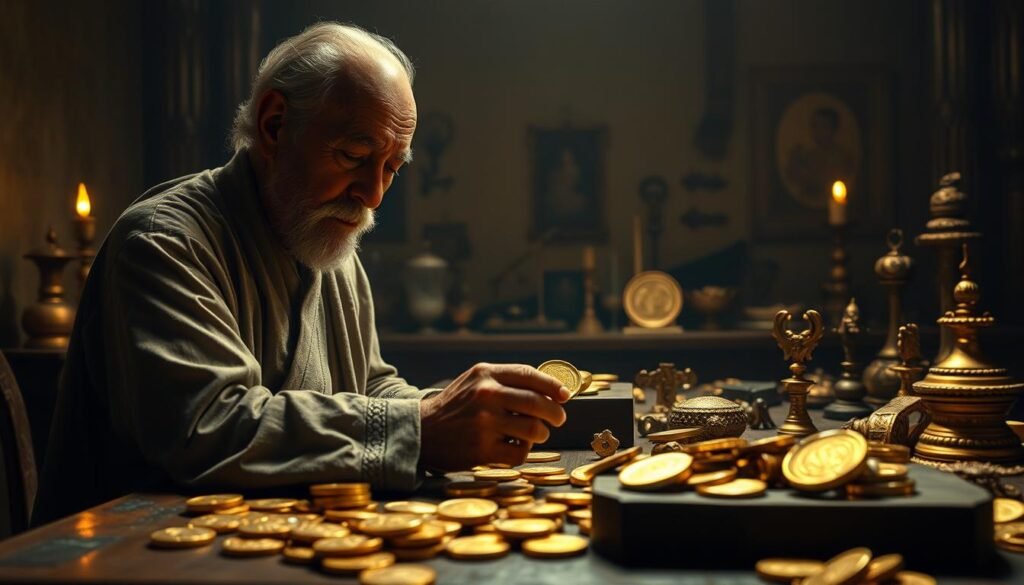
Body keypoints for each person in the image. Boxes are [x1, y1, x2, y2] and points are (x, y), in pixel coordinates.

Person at [33, 22, 568, 525]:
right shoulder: (163, 243)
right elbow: (210, 428)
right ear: (274, 125)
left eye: (391, 169)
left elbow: (369, 386)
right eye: (355, 155)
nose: (374, 194)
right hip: (127, 558)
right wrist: (421, 429)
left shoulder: (330, 239)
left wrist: (458, 411)